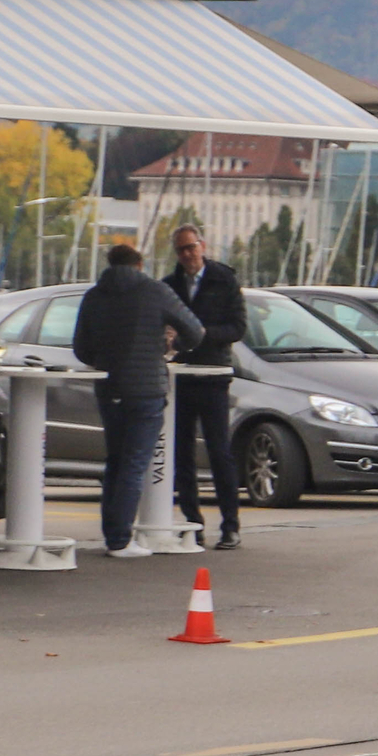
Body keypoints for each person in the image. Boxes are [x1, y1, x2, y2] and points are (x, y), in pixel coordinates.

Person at [74, 244, 201, 557]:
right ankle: (120, 539)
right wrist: (171, 347)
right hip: (146, 389)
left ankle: (112, 534)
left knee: (115, 462)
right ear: (140, 264)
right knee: (134, 465)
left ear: (110, 264)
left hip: (109, 386)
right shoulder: (155, 291)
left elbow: (80, 347)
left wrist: (103, 359)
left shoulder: (94, 296)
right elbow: (196, 331)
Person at [163, 224, 245, 549]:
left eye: (191, 248)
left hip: (213, 374)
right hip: (180, 376)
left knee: (219, 452)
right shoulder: (169, 285)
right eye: (181, 250)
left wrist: (200, 334)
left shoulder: (223, 280)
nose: (187, 255)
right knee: (181, 454)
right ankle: (192, 524)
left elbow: (237, 327)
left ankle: (231, 525)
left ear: (202, 246)